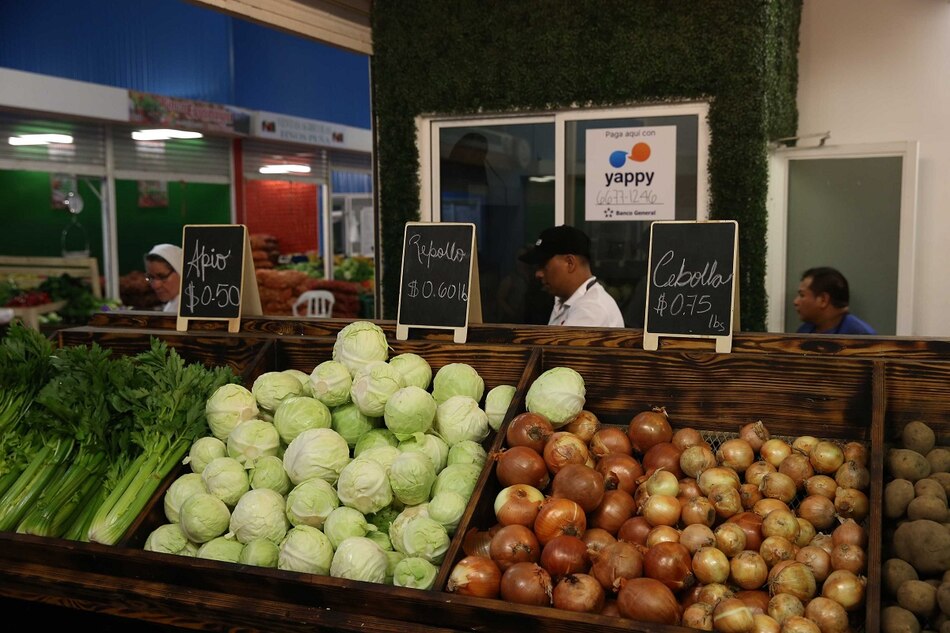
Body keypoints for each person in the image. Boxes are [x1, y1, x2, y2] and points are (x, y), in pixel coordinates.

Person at [519, 225, 624, 328]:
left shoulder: (592, 309)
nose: (538, 274)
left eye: (543, 265)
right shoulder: (564, 299)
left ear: (570, 263)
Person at [794, 266, 876, 334]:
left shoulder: (861, 337)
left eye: (802, 295)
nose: (795, 302)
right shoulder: (804, 331)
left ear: (823, 300)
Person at [145, 243, 182, 313]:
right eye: (151, 277)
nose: (155, 286)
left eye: (162, 277)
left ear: (180, 271)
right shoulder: (172, 306)